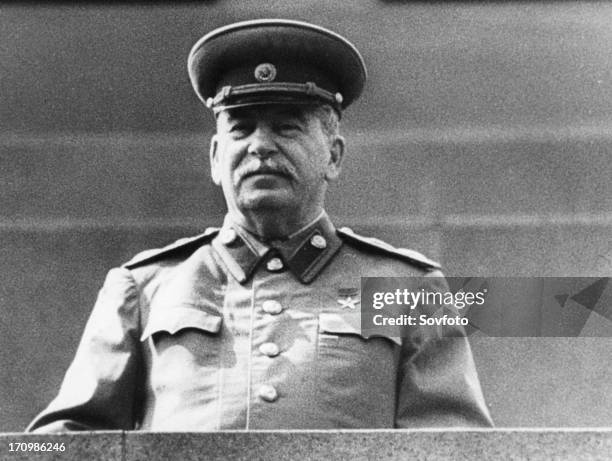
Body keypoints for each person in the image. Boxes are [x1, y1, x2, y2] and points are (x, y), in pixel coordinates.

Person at [27, 19, 492, 431]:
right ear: (214, 157)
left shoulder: (409, 289)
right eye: (241, 127)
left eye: (287, 127)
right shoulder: (143, 288)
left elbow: (456, 448)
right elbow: (56, 446)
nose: (260, 146)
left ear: (333, 155)